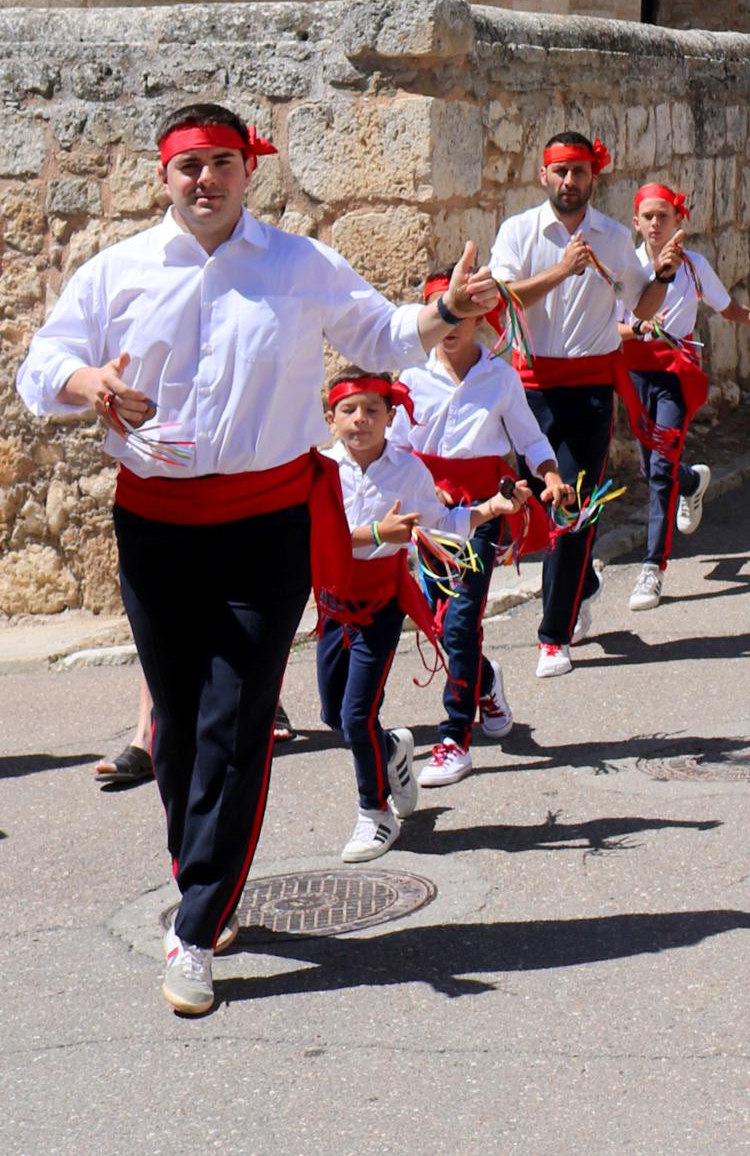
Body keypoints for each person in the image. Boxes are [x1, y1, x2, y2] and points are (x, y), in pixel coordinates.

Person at [13, 101, 499, 1016]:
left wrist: (440, 312)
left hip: (266, 524)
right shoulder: (118, 270)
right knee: (179, 728)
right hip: (155, 523)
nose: (206, 180)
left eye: (223, 163)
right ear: (165, 177)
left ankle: (195, 927)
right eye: (190, 165)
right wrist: (88, 383)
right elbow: (40, 367)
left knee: (237, 727)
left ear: (250, 171)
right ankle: (205, 875)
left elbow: (380, 336)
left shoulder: (295, 264)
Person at [490, 133, 680, 678]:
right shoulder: (518, 232)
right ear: (542, 175)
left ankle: (553, 636)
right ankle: (584, 583)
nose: (569, 182)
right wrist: (561, 271)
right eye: (560, 171)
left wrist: (663, 276)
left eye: (579, 172)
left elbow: (640, 303)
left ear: (593, 177)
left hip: (592, 389)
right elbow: (502, 304)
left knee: (570, 508)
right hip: (530, 391)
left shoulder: (615, 237)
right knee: (544, 508)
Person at [316, 372, 515, 862]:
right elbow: (308, 538)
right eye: (348, 410)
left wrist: (491, 507)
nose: (360, 419)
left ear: (391, 419)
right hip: (331, 607)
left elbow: (442, 524)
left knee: (356, 715)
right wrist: (376, 532)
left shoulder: (407, 470)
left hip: (381, 604)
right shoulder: (317, 472)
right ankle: (393, 752)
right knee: (333, 716)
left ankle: (374, 812)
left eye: (372, 411)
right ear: (330, 418)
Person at [403, 278, 566, 787]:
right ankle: (485, 679)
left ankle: (454, 738)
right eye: (442, 314)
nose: (449, 327)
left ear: (480, 319)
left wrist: (551, 476)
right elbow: (394, 449)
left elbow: (530, 438)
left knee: (459, 619)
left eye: (461, 315)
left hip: (484, 510)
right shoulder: (410, 375)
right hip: (426, 516)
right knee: (440, 620)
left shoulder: (499, 378)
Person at [621, 182, 750, 608]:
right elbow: (611, 326)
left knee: (660, 466)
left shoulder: (694, 266)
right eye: (649, 217)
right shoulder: (626, 268)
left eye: (664, 216)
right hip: (634, 373)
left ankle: (652, 568)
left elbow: (728, 308)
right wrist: (640, 328)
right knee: (652, 467)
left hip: (676, 372)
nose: (656, 224)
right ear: (636, 222)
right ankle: (692, 481)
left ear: (679, 220)